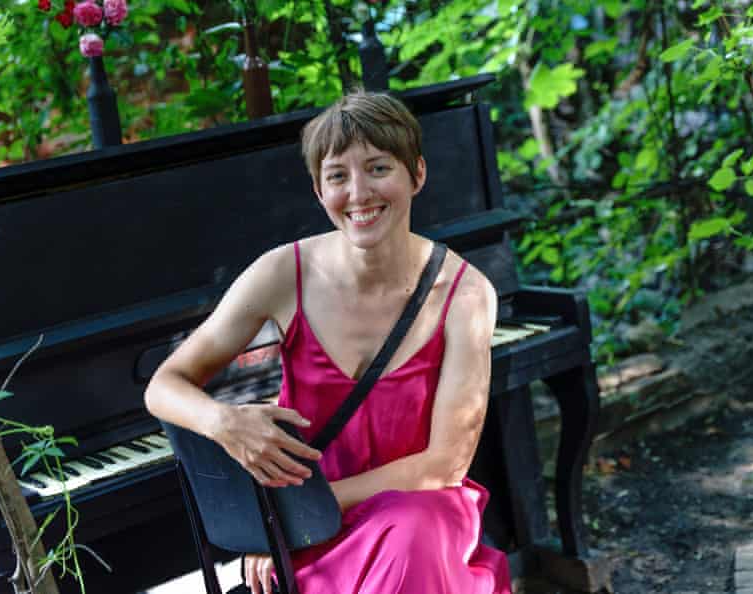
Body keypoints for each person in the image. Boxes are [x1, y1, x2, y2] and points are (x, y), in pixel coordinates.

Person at [144, 91, 512, 594]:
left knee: (412, 540)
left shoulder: (467, 295)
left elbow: (444, 465)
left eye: (378, 168)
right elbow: (163, 386)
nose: (358, 193)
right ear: (320, 191)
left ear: (417, 175)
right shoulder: (282, 272)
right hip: (312, 528)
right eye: (338, 175)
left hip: (414, 506)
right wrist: (224, 422)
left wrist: (286, 515)